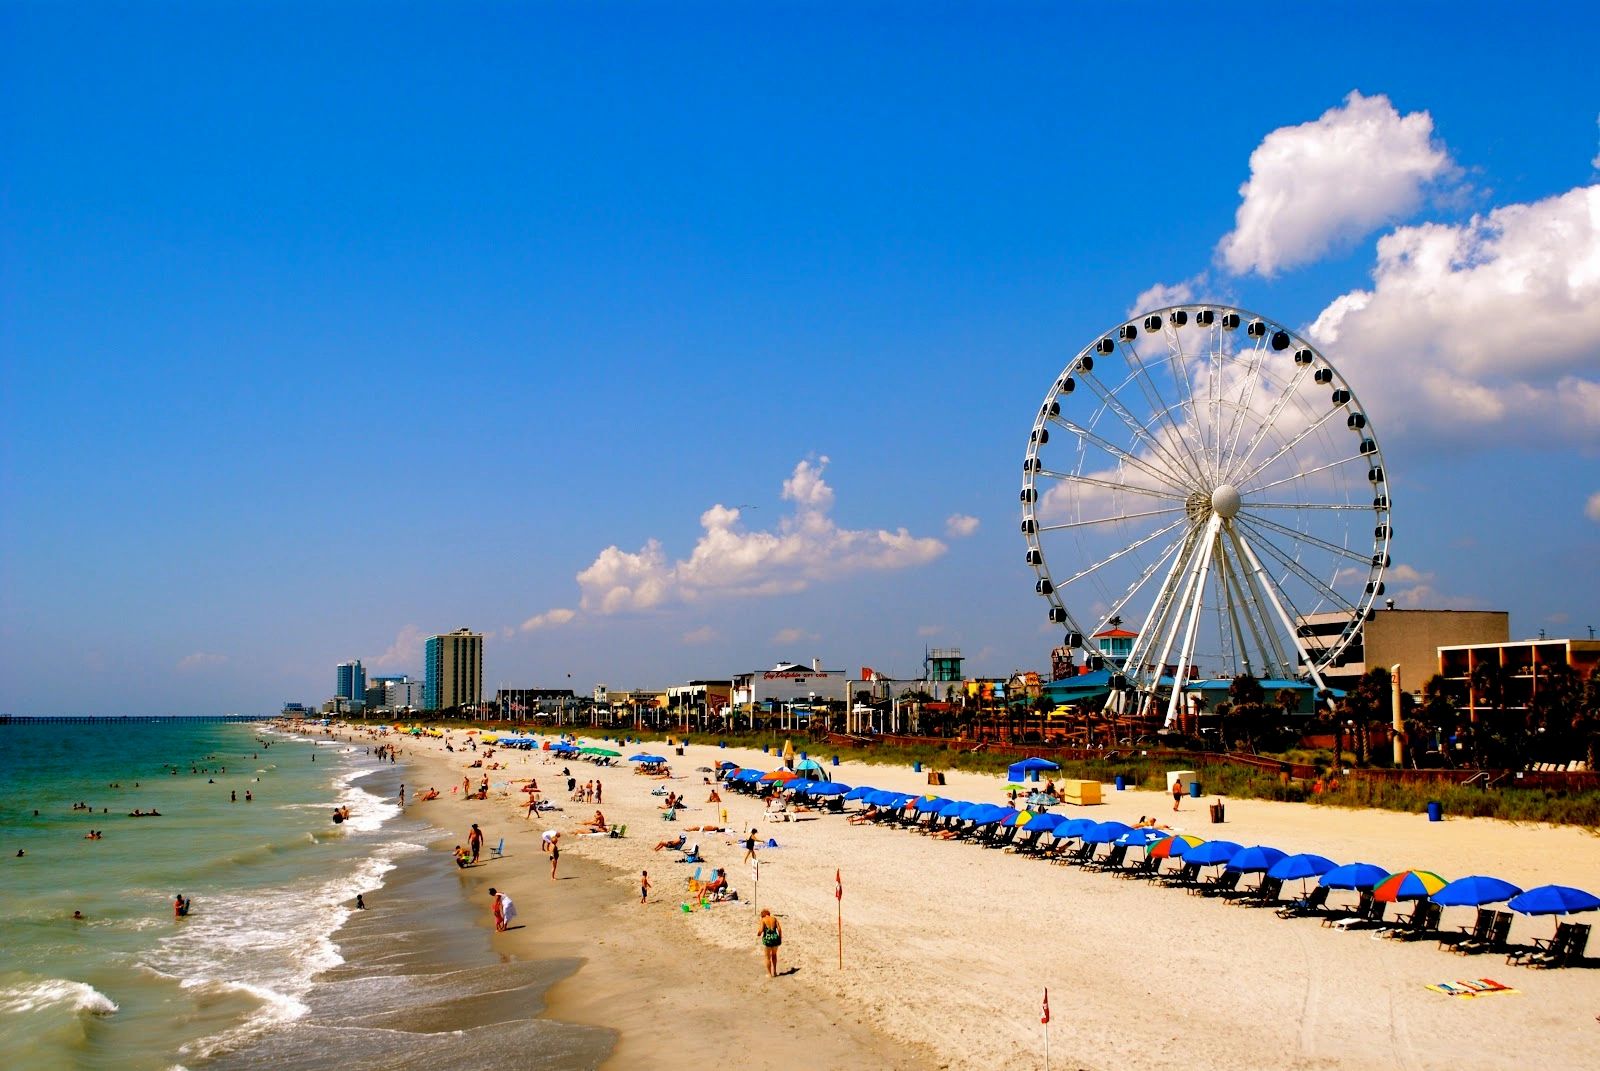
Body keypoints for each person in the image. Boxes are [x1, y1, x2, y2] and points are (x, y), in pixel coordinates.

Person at [759, 908, 782, 976]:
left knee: (767, 957)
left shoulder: (763, 920)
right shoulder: (774, 918)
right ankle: (774, 972)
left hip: (768, 940)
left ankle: (769, 974)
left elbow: (761, 930)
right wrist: (779, 938)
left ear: (763, 915)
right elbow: (779, 929)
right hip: (775, 939)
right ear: (768, 914)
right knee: (774, 955)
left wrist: (758, 934)